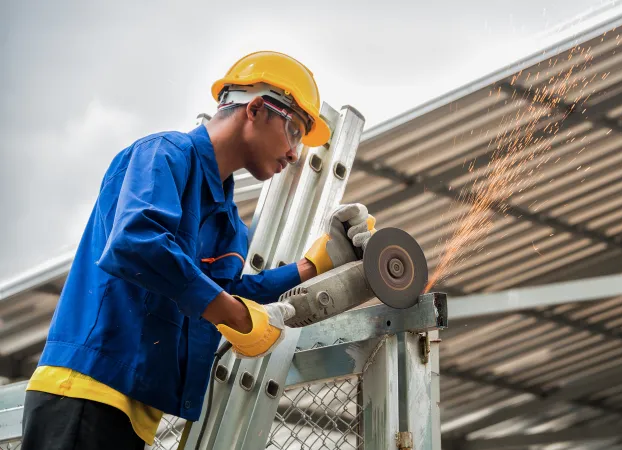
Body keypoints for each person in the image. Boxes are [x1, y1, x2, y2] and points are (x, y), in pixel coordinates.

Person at [20, 51, 376, 450]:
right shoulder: (164, 155)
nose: (295, 153)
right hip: (84, 392)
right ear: (257, 109)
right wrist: (235, 315)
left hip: (134, 415)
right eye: (294, 131)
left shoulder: (227, 223)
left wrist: (315, 266)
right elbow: (137, 242)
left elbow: (224, 294)